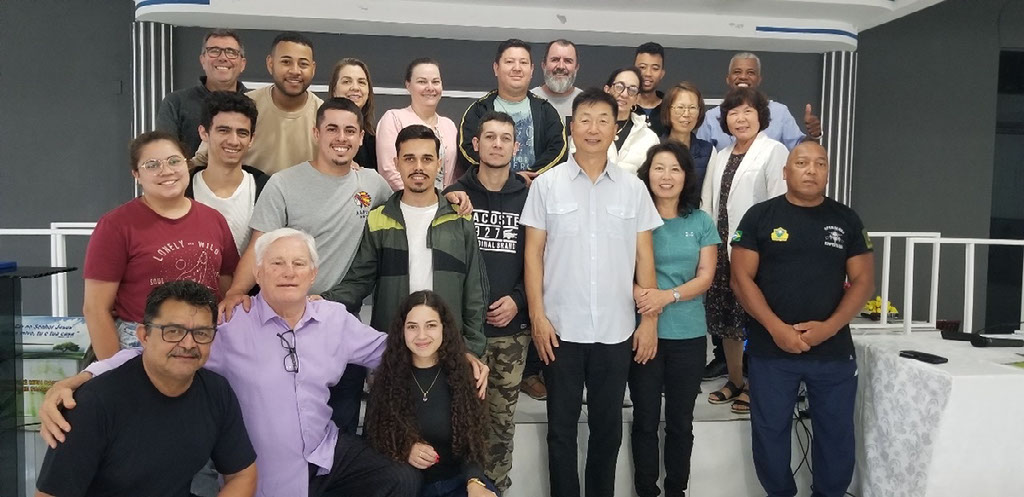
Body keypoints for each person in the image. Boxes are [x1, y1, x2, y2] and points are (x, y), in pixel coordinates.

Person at [41, 229, 422, 497]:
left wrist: (446, 350)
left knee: (399, 479)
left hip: (324, 451)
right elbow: (148, 351)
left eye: (298, 263)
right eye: (277, 263)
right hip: (263, 463)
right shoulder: (229, 323)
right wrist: (79, 379)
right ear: (258, 273)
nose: (289, 272)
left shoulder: (335, 319)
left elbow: (391, 352)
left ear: (313, 274)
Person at [521, 88, 663, 497]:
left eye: (603, 120)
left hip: (616, 331)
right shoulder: (546, 186)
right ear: (572, 127)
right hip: (560, 329)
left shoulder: (633, 189)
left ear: (615, 128)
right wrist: (537, 316)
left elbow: (645, 258)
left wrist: (649, 322)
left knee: (607, 430)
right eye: (585, 119)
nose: (593, 128)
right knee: (561, 431)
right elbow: (533, 256)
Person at [731, 142, 874, 497]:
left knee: (836, 433)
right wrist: (776, 328)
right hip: (771, 348)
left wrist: (829, 328)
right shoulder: (760, 216)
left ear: (828, 172)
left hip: (832, 350)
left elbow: (863, 282)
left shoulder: (846, 219)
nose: (811, 170)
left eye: (820, 164)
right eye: (802, 163)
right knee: (769, 432)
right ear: (785, 171)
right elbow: (740, 279)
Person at [35, 281, 257, 497]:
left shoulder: (216, 392)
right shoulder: (93, 405)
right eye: (173, 331)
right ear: (144, 336)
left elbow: (242, 475)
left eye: (201, 333)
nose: (188, 344)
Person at [322, 124, 489, 382]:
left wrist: (472, 348)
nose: (418, 167)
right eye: (409, 158)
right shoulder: (379, 219)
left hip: (448, 349)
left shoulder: (459, 219)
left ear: (439, 164)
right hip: (393, 348)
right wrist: (322, 302)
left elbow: (474, 290)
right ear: (396, 163)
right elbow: (359, 281)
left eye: (427, 159)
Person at [83, 131, 238, 360]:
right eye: (152, 165)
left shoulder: (213, 219)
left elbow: (226, 287)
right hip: (142, 345)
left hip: (205, 339)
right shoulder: (116, 225)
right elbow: (95, 309)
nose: (166, 171)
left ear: (187, 164)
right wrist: (113, 369)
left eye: (174, 161)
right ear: (136, 174)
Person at [443, 111, 530, 493]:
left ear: (516, 146)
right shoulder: (453, 196)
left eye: (505, 138)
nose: (497, 144)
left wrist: (518, 300)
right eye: (490, 137)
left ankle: (494, 490)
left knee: (499, 424)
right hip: (460, 333)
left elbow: (543, 260)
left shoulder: (530, 198)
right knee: (455, 421)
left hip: (510, 333)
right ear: (475, 144)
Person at [629, 142, 719, 497]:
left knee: (681, 422)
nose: (666, 177)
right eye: (659, 168)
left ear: (686, 176)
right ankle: (646, 491)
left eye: (675, 169)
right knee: (645, 420)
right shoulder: (634, 219)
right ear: (647, 174)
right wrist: (641, 294)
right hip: (643, 334)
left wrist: (667, 296)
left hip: (689, 336)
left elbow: (706, 276)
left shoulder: (700, 221)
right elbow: (618, 268)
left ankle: (676, 490)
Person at [700, 87, 788, 414]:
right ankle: (735, 380)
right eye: (734, 113)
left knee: (755, 319)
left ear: (760, 116)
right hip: (722, 250)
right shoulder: (721, 155)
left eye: (748, 111)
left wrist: (771, 252)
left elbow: (779, 205)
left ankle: (755, 384)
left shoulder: (773, 151)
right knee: (728, 320)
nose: (741, 118)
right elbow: (709, 203)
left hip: (756, 253)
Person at [365, 290, 498, 497]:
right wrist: (404, 449)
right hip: (407, 487)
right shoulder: (387, 377)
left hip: (457, 483)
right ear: (401, 331)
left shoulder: (467, 375)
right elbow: (372, 437)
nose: (421, 336)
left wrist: (474, 481)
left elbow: (474, 443)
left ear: (444, 328)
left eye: (431, 325)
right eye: (412, 327)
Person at [195, 32, 323, 174]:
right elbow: (200, 161)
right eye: (286, 62)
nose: (295, 71)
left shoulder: (324, 115)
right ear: (270, 64)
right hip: (247, 188)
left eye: (303, 64)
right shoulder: (242, 107)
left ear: (313, 69)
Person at [457, 39, 567, 182]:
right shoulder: (478, 110)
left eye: (523, 62)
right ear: (496, 68)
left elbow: (558, 151)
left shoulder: (546, 111)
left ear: (531, 70)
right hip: (488, 190)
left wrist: (528, 176)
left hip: (534, 189)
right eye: (509, 62)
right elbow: (466, 151)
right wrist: (504, 178)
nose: (517, 68)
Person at [185, 91, 269, 255]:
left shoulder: (267, 189)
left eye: (242, 133)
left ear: (251, 139)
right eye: (223, 130)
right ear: (204, 133)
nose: (233, 141)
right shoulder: (181, 189)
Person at [697, 52, 822, 151]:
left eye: (750, 73)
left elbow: (801, 150)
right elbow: (701, 157)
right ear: (728, 79)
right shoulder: (711, 117)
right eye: (737, 72)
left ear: (759, 80)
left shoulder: (780, 112)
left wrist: (814, 135)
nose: (743, 77)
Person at [156, 29, 248, 158]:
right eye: (214, 51)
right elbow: (165, 155)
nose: (223, 58)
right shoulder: (175, 103)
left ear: (242, 64)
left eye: (231, 52)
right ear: (202, 60)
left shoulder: (257, 103)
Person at [377, 58, 459, 191]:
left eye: (435, 82)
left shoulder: (449, 125)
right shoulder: (394, 118)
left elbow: (456, 174)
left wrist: (445, 199)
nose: (430, 88)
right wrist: (421, 198)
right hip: (405, 200)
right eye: (422, 81)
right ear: (408, 85)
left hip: (444, 201)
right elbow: (388, 170)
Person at [569, 67, 659, 175]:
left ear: (637, 98)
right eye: (619, 87)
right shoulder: (588, 129)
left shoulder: (648, 137)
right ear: (607, 90)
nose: (624, 94)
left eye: (632, 90)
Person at [660, 81, 717, 185]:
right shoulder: (654, 146)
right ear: (667, 110)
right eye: (680, 108)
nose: (686, 114)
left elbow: (708, 192)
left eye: (692, 108)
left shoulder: (708, 151)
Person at [330, 57, 378, 170]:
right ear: (334, 89)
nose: (355, 87)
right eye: (347, 82)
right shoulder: (320, 129)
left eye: (361, 82)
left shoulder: (374, 138)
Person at [531, 39, 583, 120]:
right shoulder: (529, 100)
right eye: (555, 60)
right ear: (544, 65)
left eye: (568, 61)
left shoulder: (586, 102)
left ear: (576, 68)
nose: (561, 66)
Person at [634, 42, 668, 136]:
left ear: (662, 73)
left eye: (655, 68)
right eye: (642, 67)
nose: (648, 73)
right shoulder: (623, 105)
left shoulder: (670, 107)